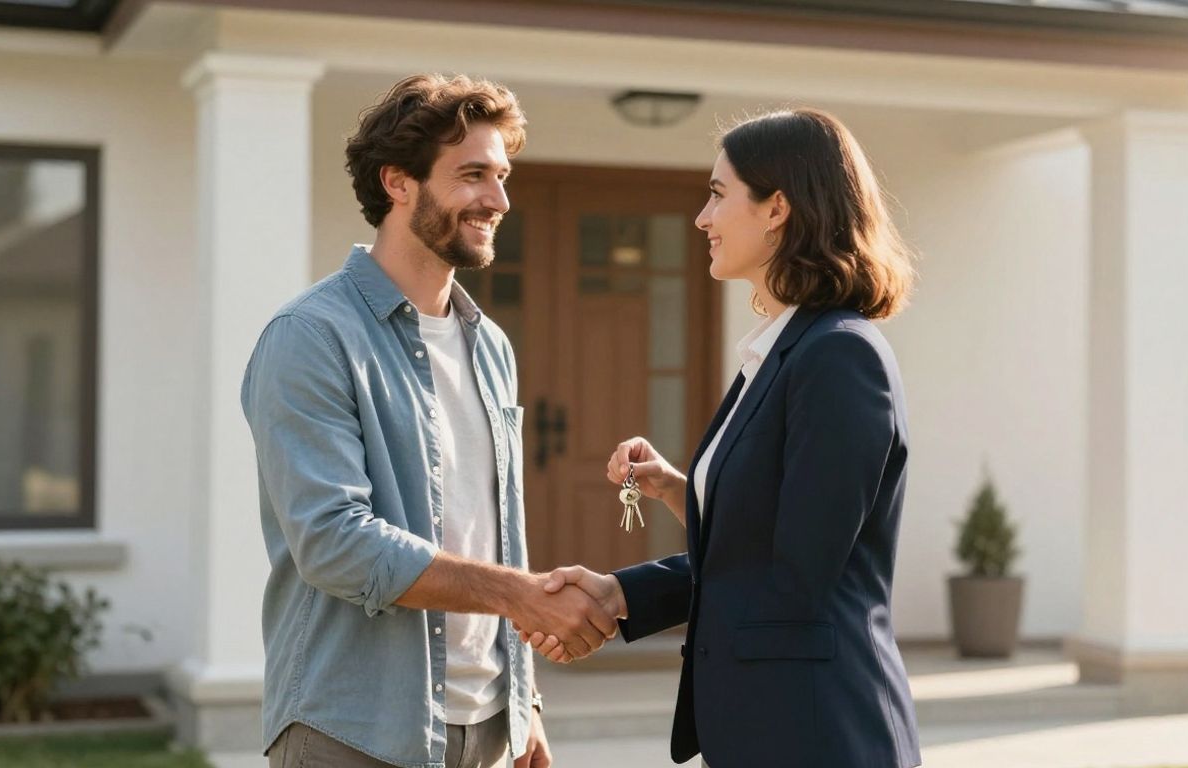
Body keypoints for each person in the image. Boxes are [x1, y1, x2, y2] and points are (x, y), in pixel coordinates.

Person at [525, 108, 922, 767]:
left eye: (717, 194)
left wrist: (626, 597)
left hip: (820, 730)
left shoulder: (838, 356)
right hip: (770, 726)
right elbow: (762, 536)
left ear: (777, 209)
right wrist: (679, 499)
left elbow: (796, 577)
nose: (702, 219)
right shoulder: (781, 352)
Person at [242, 74, 617, 768]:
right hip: (353, 728)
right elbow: (333, 542)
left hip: (490, 727)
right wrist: (524, 599)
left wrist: (525, 699)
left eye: (502, 176)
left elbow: (491, 528)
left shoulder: (490, 345)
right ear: (398, 183)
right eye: (473, 175)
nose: (499, 200)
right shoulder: (311, 337)